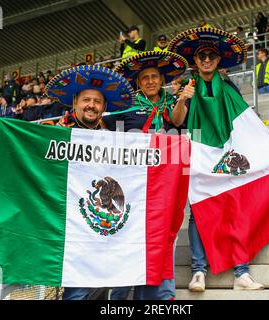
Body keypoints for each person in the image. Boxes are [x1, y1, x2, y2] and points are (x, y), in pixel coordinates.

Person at [169, 27, 269, 292]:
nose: (206, 60)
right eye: (201, 55)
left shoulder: (228, 85)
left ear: (218, 60)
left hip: (227, 150)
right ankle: (199, 271)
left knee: (236, 207)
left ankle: (241, 272)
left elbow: (246, 118)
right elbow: (176, 122)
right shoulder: (187, 87)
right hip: (198, 151)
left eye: (211, 56)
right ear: (195, 60)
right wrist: (181, 100)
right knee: (197, 212)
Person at [104, 50, 189, 300]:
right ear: (138, 83)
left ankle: (163, 295)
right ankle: (117, 296)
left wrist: (182, 99)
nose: (150, 81)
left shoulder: (172, 106)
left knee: (164, 237)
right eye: (145, 78)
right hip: (132, 189)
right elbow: (99, 127)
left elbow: (177, 124)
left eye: (154, 76)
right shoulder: (126, 107)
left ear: (161, 80)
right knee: (127, 240)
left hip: (163, 189)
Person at [45, 65, 135, 299]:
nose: (91, 105)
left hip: (104, 230)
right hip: (71, 234)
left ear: (104, 108)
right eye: (86, 99)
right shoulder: (53, 133)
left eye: (97, 101)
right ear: (74, 103)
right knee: (77, 295)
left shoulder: (114, 141)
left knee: (125, 277)